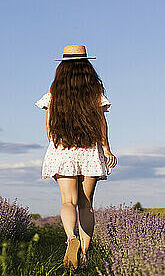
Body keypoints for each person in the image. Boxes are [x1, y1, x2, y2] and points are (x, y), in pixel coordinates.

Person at [35, 44, 118, 270]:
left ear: (62, 66)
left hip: (62, 148)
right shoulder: (94, 93)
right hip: (90, 149)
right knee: (86, 205)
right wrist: (107, 149)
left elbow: (49, 128)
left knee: (67, 201)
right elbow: (102, 123)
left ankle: (70, 238)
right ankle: (83, 253)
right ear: (87, 65)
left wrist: (58, 146)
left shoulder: (54, 93)